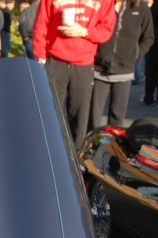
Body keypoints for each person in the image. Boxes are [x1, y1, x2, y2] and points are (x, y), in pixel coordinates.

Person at [32, 0, 117, 145]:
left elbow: (106, 30)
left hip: (83, 64)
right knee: (49, 110)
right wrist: (40, 57)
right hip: (55, 60)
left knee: (79, 115)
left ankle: (76, 156)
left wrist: (84, 31)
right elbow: (41, 25)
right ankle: (47, 150)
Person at [91, 0, 154, 128]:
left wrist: (135, 55)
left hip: (124, 71)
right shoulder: (104, 4)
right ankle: (90, 146)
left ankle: (112, 148)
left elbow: (148, 37)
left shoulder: (141, 8)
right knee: (92, 117)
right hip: (99, 70)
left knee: (116, 120)